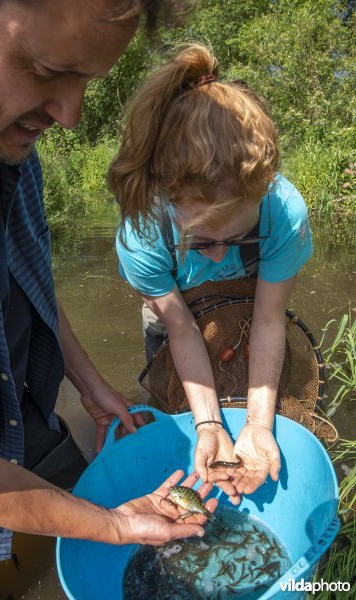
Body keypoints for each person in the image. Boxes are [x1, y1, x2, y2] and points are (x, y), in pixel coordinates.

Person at [0, 2, 216, 599]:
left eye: (86, 81)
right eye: (47, 69)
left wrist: (91, 385)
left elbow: (29, 282)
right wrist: (117, 524)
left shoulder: (8, 145)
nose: (69, 115)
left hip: (27, 420)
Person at [109, 43, 313, 506]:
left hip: (251, 307)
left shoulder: (283, 215)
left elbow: (266, 320)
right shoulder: (143, 234)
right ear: (168, 196)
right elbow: (180, 331)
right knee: (177, 402)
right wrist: (209, 424)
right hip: (175, 316)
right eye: (202, 243)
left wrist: (259, 425)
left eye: (240, 240)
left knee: (259, 395)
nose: (220, 257)